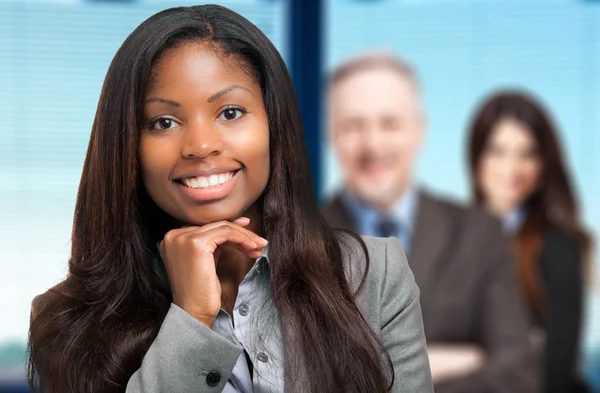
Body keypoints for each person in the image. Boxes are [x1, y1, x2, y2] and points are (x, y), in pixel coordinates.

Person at [26, 6, 434, 393]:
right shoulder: (65, 319)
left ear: (274, 124)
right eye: (163, 122)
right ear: (127, 147)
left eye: (231, 112)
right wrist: (190, 320)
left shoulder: (372, 275)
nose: (201, 146)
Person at [322, 53, 539, 392]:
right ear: (330, 134)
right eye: (353, 125)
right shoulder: (297, 237)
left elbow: (518, 373)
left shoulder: (479, 234)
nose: (373, 143)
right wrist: (438, 361)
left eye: (390, 123)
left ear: (418, 130)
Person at [467, 90, 591, 393]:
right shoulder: (452, 238)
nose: (512, 168)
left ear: (543, 165)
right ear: (476, 158)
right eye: (497, 151)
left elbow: (558, 362)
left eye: (527, 154)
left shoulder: (558, 246)